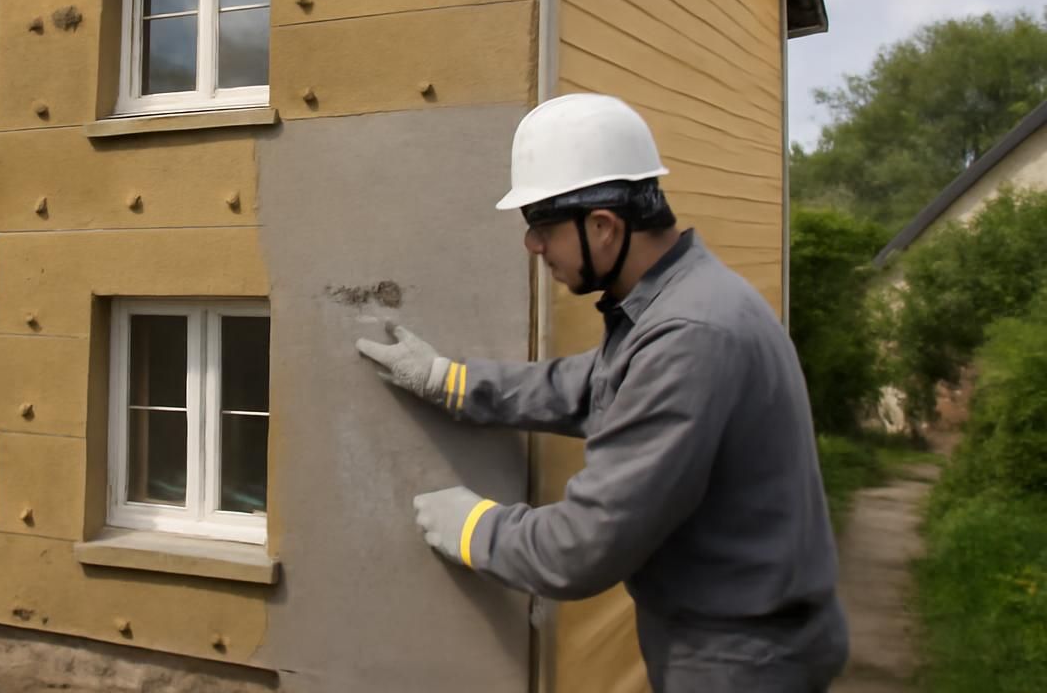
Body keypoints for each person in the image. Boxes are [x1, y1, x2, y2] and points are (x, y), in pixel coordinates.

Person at [356, 93, 848, 692]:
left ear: (603, 227)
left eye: (541, 226)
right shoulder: (677, 301)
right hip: (738, 638)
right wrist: (447, 380)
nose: (532, 247)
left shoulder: (688, 335)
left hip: (741, 660)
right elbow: (586, 386)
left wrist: (476, 530)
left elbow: (585, 547)